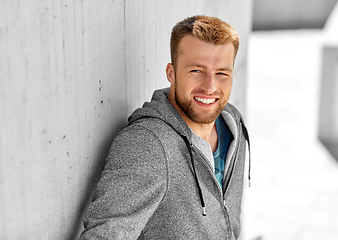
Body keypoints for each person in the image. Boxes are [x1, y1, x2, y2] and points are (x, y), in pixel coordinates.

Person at [79, 15, 250, 240]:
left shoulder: (232, 123)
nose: (210, 87)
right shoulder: (147, 145)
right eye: (196, 71)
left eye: (221, 73)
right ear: (171, 73)